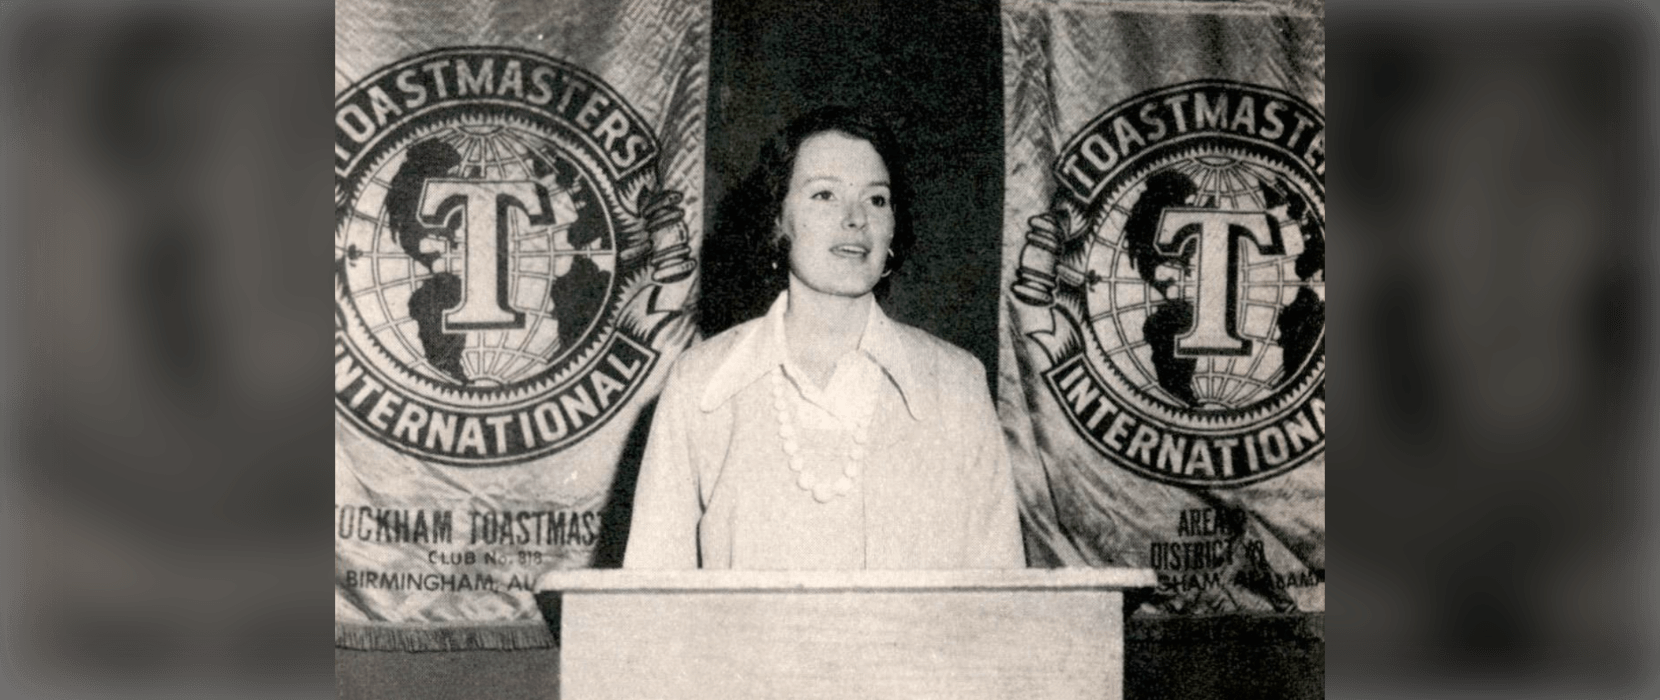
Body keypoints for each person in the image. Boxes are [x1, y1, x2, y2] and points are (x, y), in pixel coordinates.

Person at [622, 106, 1024, 570]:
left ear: (893, 226)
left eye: (876, 199)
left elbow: (1004, 602)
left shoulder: (957, 385)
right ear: (778, 219)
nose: (855, 219)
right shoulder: (699, 385)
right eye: (825, 195)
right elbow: (649, 603)